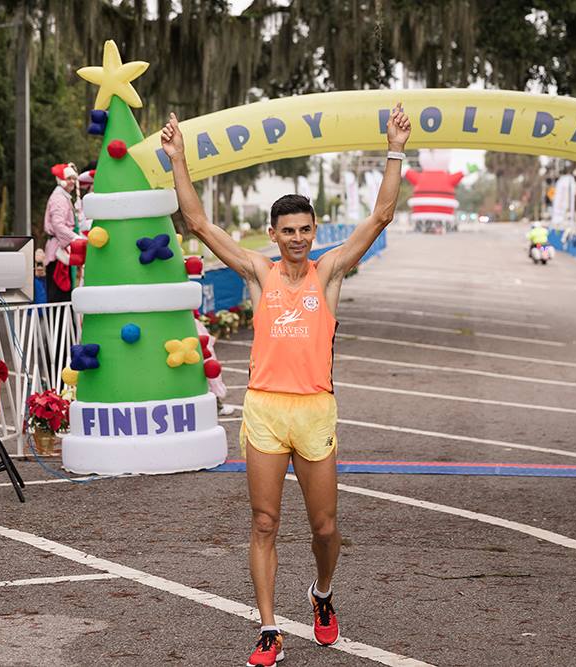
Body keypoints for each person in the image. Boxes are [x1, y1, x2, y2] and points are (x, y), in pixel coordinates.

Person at [161, 104, 411, 667]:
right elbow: (198, 223)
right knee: (265, 521)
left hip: (315, 411)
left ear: (315, 232)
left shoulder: (329, 272)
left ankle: (322, 594)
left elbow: (383, 215)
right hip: (265, 410)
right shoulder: (257, 272)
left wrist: (395, 148)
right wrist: (178, 159)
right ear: (272, 234)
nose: (296, 239)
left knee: (325, 529)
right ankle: (269, 628)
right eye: (287, 231)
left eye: (305, 230)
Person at [43, 162, 79, 303]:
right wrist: (75, 239)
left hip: (63, 248)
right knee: (59, 295)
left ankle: (64, 324)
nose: (72, 182)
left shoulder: (64, 197)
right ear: (61, 180)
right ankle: (59, 325)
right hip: (58, 252)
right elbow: (58, 225)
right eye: (69, 178)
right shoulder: (59, 198)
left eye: (74, 179)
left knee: (63, 294)